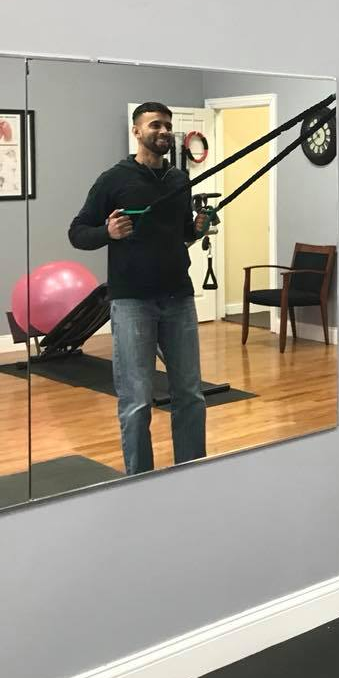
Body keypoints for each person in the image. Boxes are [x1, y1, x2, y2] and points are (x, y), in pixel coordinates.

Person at [69, 101, 210, 476]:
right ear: (137, 131)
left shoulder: (180, 179)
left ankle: (192, 474)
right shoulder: (114, 179)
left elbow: (181, 234)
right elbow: (77, 232)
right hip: (132, 302)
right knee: (136, 402)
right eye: (154, 126)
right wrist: (107, 232)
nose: (163, 132)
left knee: (190, 396)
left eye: (167, 126)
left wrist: (195, 229)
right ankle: (139, 480)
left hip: (179, 297)